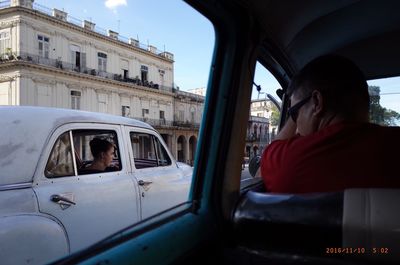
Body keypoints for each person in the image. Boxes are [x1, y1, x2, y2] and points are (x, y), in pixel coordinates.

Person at [260, 55, 400, 193]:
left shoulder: (293, 159)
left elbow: (270, 157)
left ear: (316, 102)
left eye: (295, 113)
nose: (296, 128)